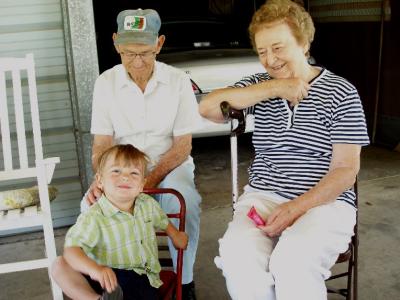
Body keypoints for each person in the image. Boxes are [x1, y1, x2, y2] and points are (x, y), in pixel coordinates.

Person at [199, 1, 370, 299]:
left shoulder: (341, 92)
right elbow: (208, 108)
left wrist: (296, 208)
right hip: (264, 195)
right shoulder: (258, 84)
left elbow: (346, 170)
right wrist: (276, 88)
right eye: (262, 51)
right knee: (239, 259)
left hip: (324, 203)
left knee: (294, 262)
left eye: (278, 48)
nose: (270, 60)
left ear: (303, 43)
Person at [53, 8, 201, 300]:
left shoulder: (178, 82)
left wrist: (147, 180)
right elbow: (101, 144)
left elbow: (183, 145)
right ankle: (106, 281)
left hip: (169, 164)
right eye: (129, 52)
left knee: (187, 201)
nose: (137, 61)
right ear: (116, 43)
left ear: (159, 44)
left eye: (145, 52)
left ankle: (185, 282)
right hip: (121, 167)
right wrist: (101, 179)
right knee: (91, 206)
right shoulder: (106, 83)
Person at [52, 144, 188, 300]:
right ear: (100, 180)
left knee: (135, 288)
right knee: (59, 265)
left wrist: (175, 234)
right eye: (116, 171)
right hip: (103, 276)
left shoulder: (147, 204)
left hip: (139, 278)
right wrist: (95, 270)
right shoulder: (94, 216)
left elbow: (162, 220)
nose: (125, 177)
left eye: (134, 173)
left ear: (141, 185)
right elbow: (71, 250)